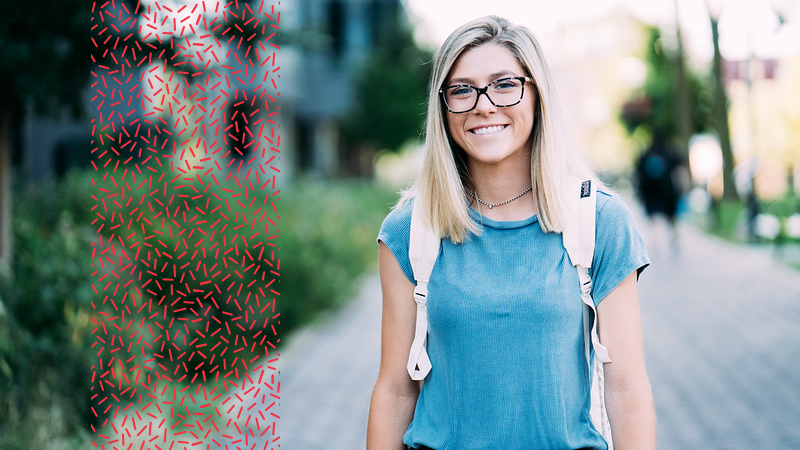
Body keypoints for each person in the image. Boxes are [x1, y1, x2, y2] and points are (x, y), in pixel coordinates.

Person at [367, 16, 655, 450]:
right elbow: (395, 389)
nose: (484, 105)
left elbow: (627, 387)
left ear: (536, 94)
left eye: (505, 85)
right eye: (462, 89)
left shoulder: (599, 221)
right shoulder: (410, 230)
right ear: (443, 108)